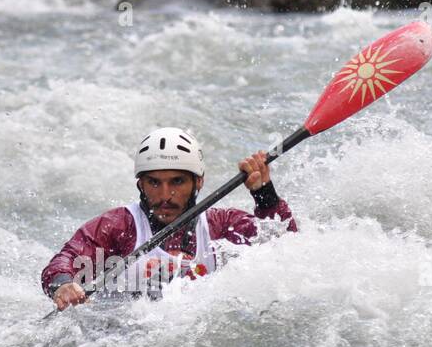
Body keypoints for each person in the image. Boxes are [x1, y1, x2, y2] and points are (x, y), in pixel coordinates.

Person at [42, 127, 297, 311]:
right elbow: (64, 262)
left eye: (177, 181)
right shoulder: (118, 226)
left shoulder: (222, 225)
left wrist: (265, 195)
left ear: (198, 182)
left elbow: (288, 249)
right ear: (141, 184)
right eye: (154, 183)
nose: (165, 196)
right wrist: (63, 285)